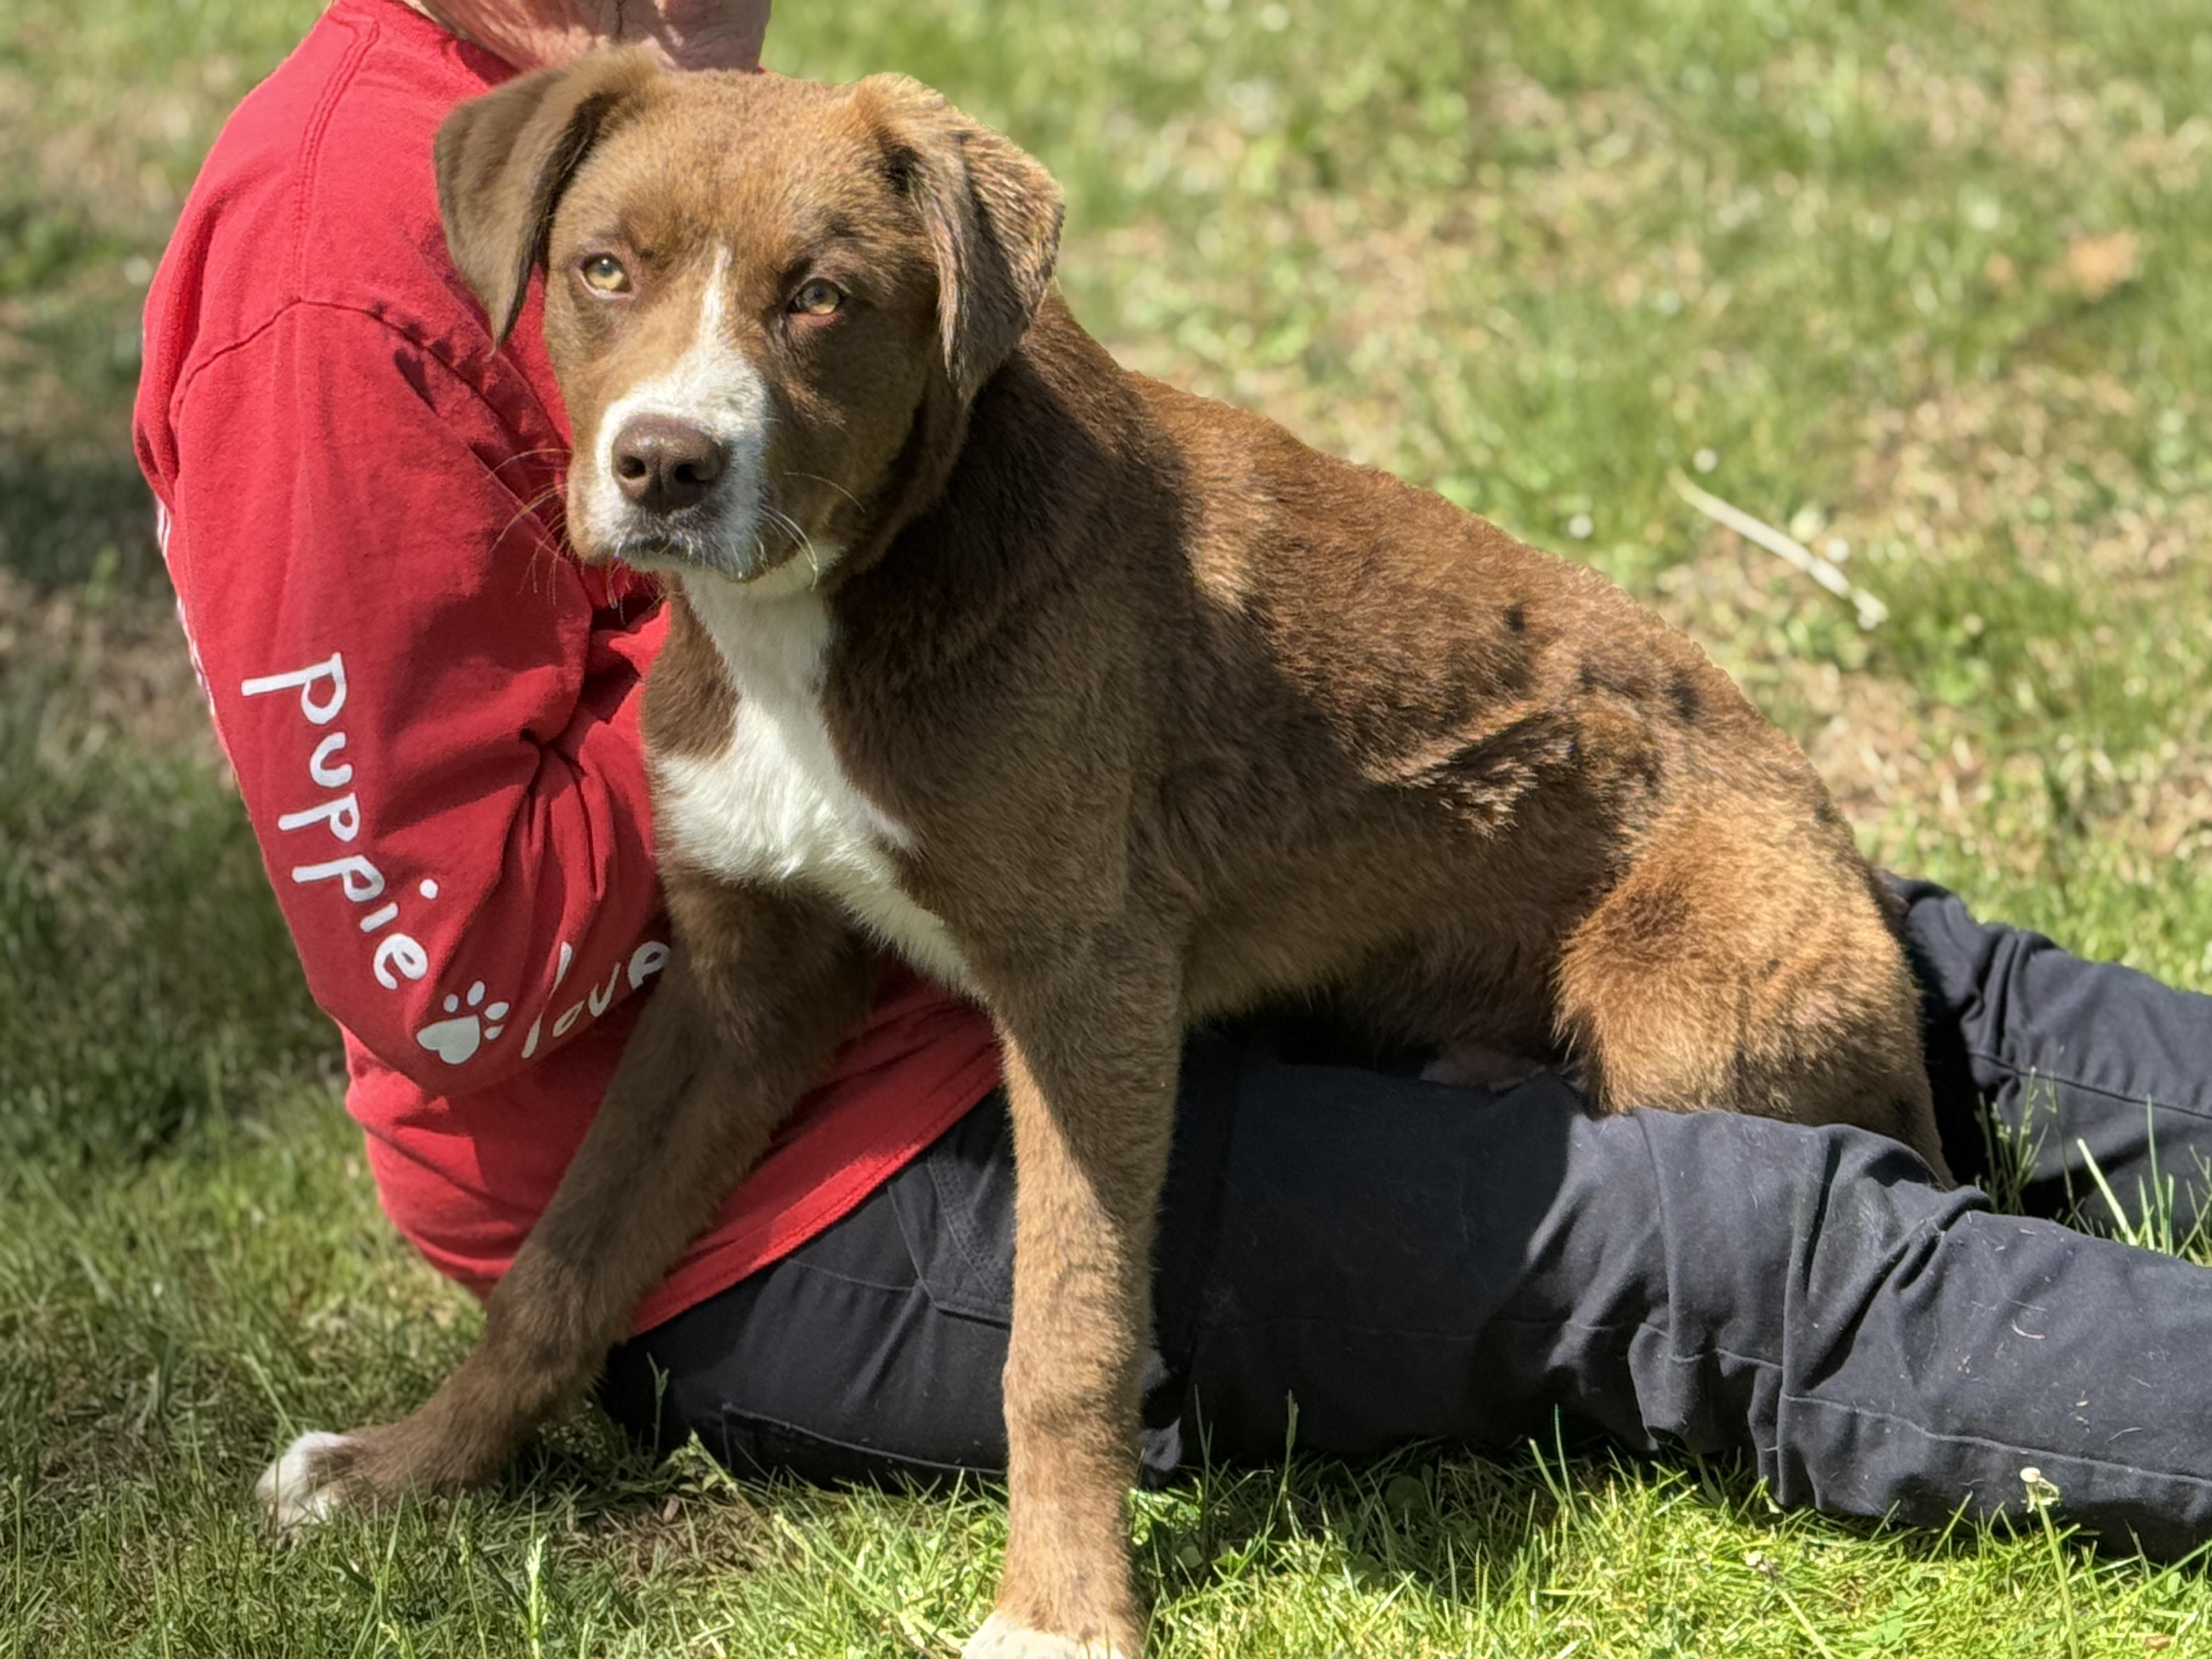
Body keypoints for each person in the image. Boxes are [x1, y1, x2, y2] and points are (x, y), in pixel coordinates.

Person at [134, 0, 2212, 1566]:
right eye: (613, 280)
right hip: (830, 1201)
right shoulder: (334, 245)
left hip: (1282, 919)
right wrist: (767, 709)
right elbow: (450, 962)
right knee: (1736, 1240)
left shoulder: (762, 152)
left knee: (1901, 971)